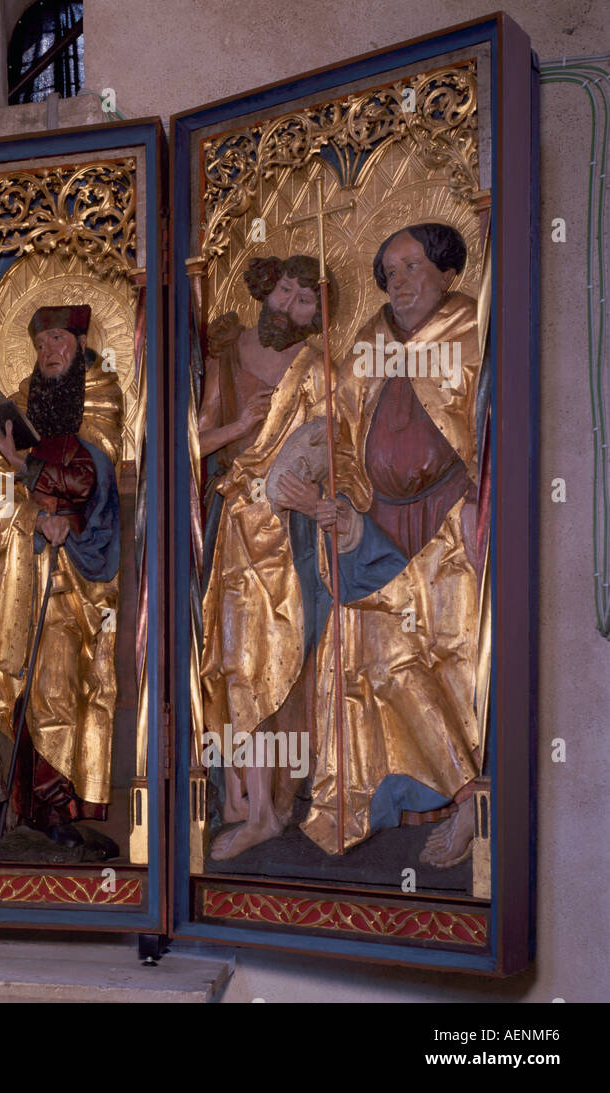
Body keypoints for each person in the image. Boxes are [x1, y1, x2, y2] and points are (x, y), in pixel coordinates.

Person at [282, 222, 484, 864]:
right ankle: (407, 799)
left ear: (446, 272)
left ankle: (474, 800)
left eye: (411, 266)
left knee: (448, 661)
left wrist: (485, 499)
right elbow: (342, 439)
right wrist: (341, 501)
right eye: (389, 272)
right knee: (375, 663)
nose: (398, 281)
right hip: (380, 525)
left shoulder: (474, 330)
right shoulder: (368, 342)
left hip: (451, 519)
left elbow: (493, 423)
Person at [198, 255, 337, 859]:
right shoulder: (226, 358)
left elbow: (336, 451)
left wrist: (311, 494)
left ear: (317, 314)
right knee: (231, 663)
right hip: (233, 528)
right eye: (283, 291)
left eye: (304, 300)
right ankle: (241, 800)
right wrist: (238, 428)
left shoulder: (320, 369)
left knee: (279, 666)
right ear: (266, 289)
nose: (288, 306)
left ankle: (272, 808)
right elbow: (191, 442)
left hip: (291, 535)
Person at [0, 304, 122, 851]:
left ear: (80, 342)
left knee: (58, 682)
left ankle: (57, 807)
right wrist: (31, 511)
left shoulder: (100, 395)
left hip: (73, 569)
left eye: (58, 340)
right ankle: (15, 809)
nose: (49, 352)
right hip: (21, 564)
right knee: (14, 680)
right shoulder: (19, 405)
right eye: (40, 345)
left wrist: (32, 475)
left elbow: (92, 473)